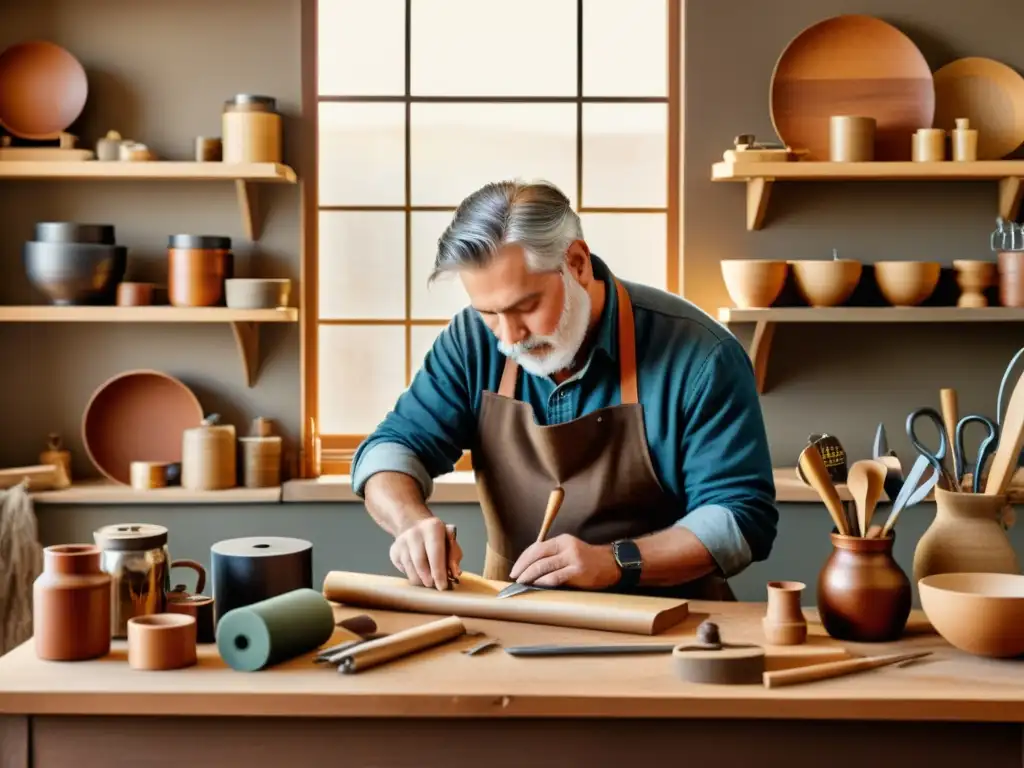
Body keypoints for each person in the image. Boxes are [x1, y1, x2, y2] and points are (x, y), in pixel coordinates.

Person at [351, 179, 778, 599]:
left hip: (671, 626)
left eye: (527, 306)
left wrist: (614, 563)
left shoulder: (701, 355)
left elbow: (739, 518)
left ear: (576, 262)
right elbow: (390, 449)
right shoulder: (471, 342)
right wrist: (411, 523)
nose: (511, 337)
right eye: (489, 313)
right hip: (512, 617)